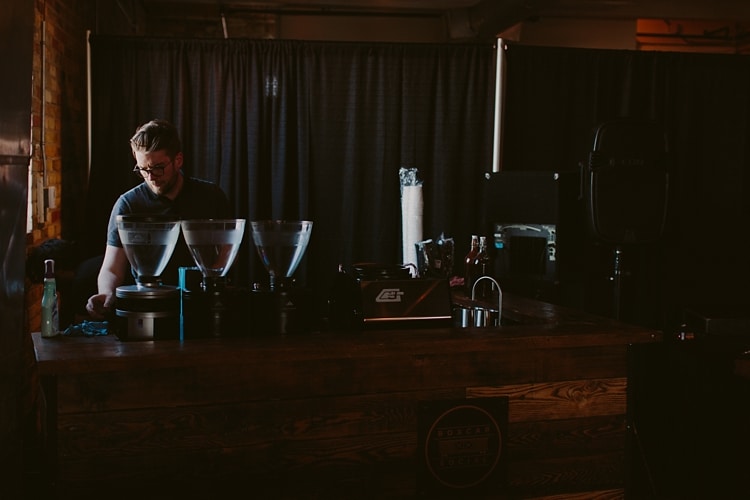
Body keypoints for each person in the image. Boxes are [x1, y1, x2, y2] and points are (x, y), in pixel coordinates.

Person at [86, 119, 230, 319]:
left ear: (178, 160)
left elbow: (228, 252)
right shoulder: (127, 205)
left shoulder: (211, 197)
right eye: (142, 169)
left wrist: (211, 282)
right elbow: (112, 267)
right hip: (148, 307)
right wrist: (107, 294)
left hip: (201, 303)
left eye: (157, 168)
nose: (150, 176)